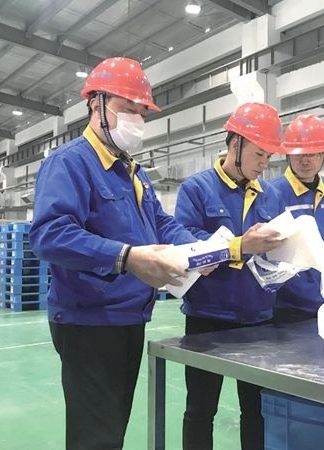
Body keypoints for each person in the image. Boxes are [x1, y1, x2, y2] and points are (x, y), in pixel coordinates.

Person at [29, 57, 204, 450]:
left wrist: (198, 251)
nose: (137, 120)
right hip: (88, 320)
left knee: (112, 430)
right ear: (97, 103)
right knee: (97, 437)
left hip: (128, 316)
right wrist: (127, 257)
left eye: (142, 112)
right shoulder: (69, 163)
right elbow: (50, 234)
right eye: (128, 108)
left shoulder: (132, 171)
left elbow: (160, 222)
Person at [174, 102, 286, 450]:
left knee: (256, 410)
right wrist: (240, 245)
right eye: (259, 154)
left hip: (258, 317)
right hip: (208, 317)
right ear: (235, 144)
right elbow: (186, 244)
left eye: (269, 157)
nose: (264, 163)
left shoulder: (271, 194)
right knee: (200, 408)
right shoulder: (196, 189)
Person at [270, 114, 324, 321]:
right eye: (298, 155)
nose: (305, 161)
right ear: (287, 155)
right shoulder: (272, 194)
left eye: (312, 154)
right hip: (288, 308)